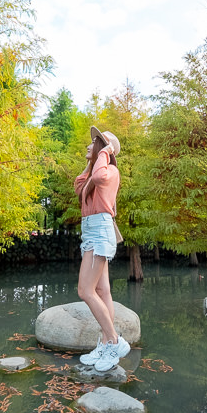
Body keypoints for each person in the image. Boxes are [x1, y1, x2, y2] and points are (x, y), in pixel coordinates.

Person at [74, 126, 130, 372]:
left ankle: (115, 341)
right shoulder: (96, 170)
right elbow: (79, 186)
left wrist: (105, 152)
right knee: (102, 290)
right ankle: (106, 343)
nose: (88, 145)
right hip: (91, 232)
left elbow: (98, 178)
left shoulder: (110, 171)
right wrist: (91, 161)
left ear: (102, 147)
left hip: (100, 232)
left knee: (85, 290)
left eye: (93, 142)